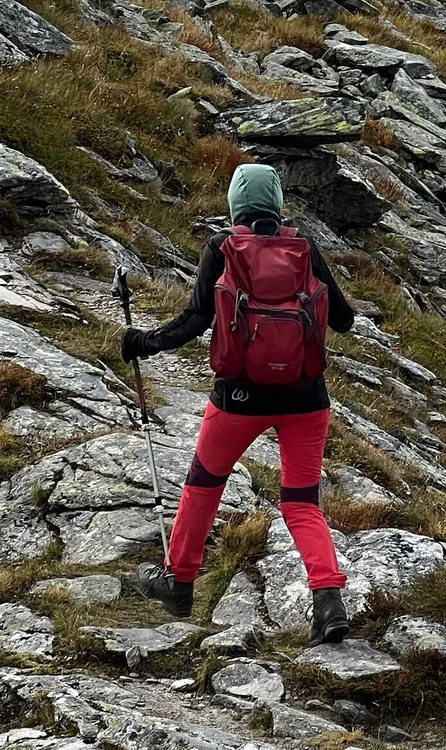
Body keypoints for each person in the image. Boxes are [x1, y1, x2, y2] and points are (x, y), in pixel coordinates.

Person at [121, 164, 356, 644]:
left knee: (203, 486)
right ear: (276, 203)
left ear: (235, 204)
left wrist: (143, 342)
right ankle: (328, 601)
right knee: (302, 504)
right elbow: (346, 321)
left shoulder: (222, 247)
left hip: (238, 400)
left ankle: (179, 582)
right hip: (307, 399)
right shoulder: (304, 247)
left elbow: (194, 320)